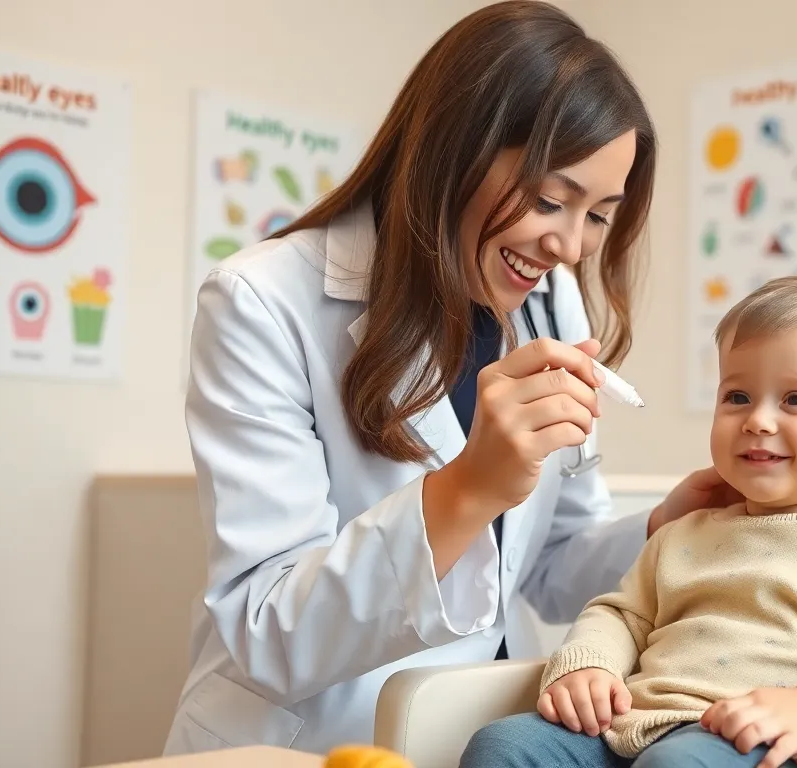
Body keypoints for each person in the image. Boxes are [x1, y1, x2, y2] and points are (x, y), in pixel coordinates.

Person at [163, 1, 741, 755]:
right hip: (310, 739)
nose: (568, 246)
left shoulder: (549, 301)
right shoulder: (262, 303)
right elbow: (270, 630)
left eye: (599, 214)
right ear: (453, 151)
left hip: (474, 728)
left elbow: (553, 570)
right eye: (547, 200)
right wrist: (468, 488)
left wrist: (665, 527)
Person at [460, 276, 797, 768]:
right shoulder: (686, 533)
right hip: (634, 729)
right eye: (737, 396)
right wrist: (588, 663)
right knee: (505, 745)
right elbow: (622, 615)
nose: (756, 419)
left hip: (762, 749)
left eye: (796, 399)